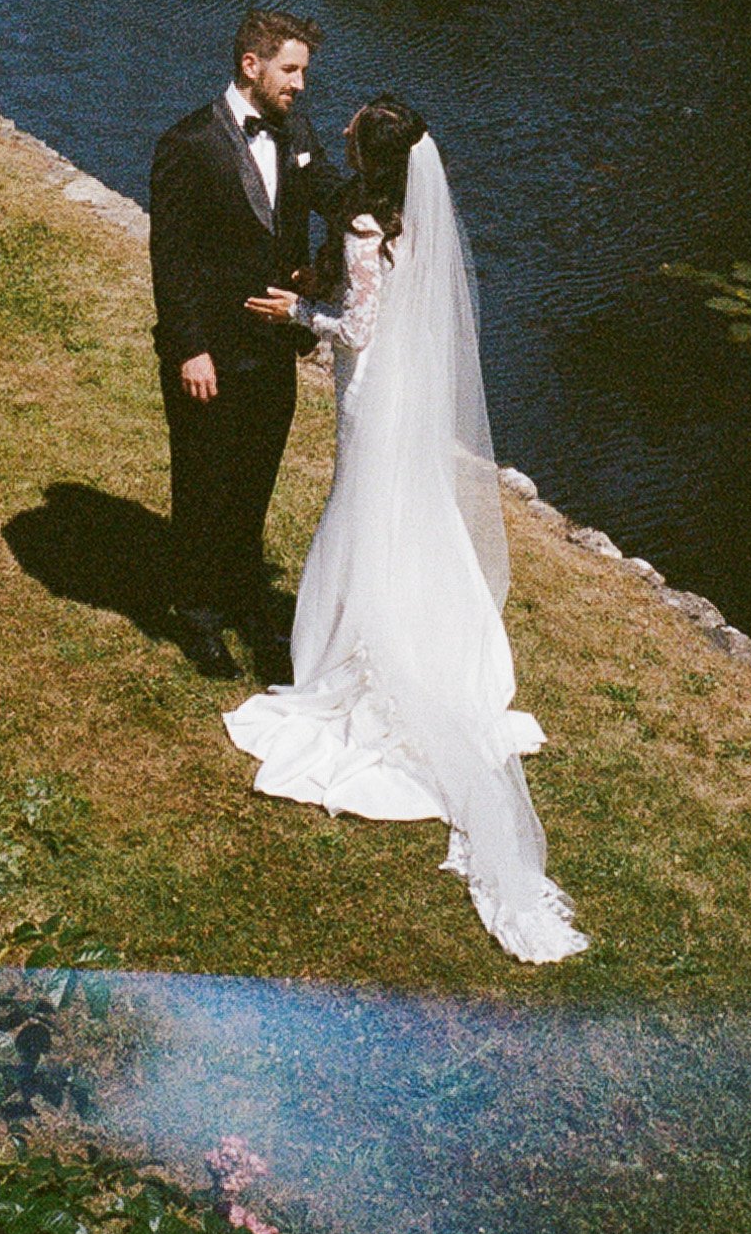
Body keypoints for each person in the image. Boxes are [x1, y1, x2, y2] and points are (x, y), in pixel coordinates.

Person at [224, 96, 588, 965]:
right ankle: (433, 633)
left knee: (361, 510)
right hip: (413, 393)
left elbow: (357, 326)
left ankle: (358, 648)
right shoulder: (413, 217)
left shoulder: (359, 221)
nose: (340, 129)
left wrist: (295, 314)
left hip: (371, 392)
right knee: (407, 511)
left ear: (367, 151)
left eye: (351, 128)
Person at [148, 9, 338, 677]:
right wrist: (189, 348)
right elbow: (170, 260)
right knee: (202, 481)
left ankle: (242, 596)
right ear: (251, 66)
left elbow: (328, 200)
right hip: (213, 354)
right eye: (292, 70)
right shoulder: (187, 144)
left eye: (305, 72)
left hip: (271, 350)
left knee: (254, 479)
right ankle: (194, 614)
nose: (301, 85)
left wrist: (329, 264)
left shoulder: (298, 132)